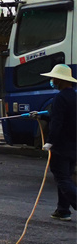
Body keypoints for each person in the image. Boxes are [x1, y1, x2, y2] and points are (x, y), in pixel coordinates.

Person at [39, 63, 77, 222]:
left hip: (61, 145)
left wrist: (50, 142)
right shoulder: (74, 96)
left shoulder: (60, 98)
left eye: (54, 78)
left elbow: (57, 122)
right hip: (74, 145)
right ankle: (63, 210)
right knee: (66, 177)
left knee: (62, 178)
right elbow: (62, 117)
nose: (52, 81)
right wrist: (41, 116)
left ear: (60, 80)